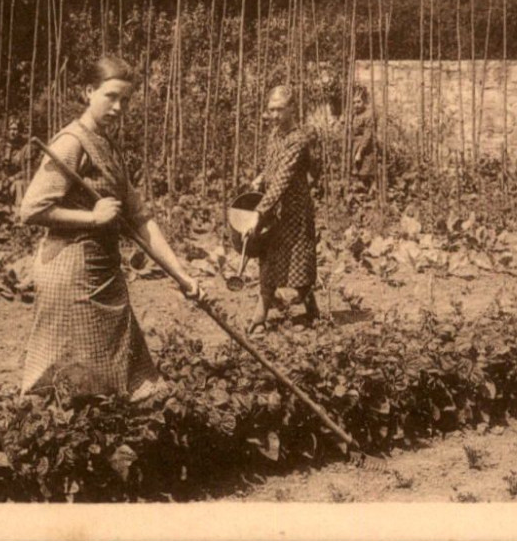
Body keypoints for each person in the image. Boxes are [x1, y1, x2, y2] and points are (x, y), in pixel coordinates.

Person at [16, 55, 201, 400]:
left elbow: (141, 219)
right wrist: (92, 217)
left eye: (125, 100)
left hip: (103, 273)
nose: (118, 107)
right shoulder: (71, 142)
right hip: (70, 274)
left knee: (122, 379)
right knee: (71, 386)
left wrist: (181, 275)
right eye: (111, 96)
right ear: (88, 91)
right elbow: (32, 209)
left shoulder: (109, 147)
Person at [247, 85, 320, 332]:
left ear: (291, 109)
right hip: (274, 210)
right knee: (268, 260)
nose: (275, 115)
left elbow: (283, 178)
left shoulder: (298, 140)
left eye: (279, 109)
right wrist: (260, 177)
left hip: (295, 211)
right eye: (271, 110)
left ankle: (312, 313)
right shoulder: (275, 134)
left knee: (299, 264)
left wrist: (259, 211)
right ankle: (260, 315)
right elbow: (272, 168)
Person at [349, 85, 377, 193]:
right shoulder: (354, 114)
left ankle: (371, 193)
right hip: (354, 146)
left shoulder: (368, 115)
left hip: (366, 148)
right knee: (356, 173)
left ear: (364, 102)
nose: (356, 105)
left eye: (359, 102)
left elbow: (368, 135)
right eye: (354, 102)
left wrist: (360, 151)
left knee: (366, 173)